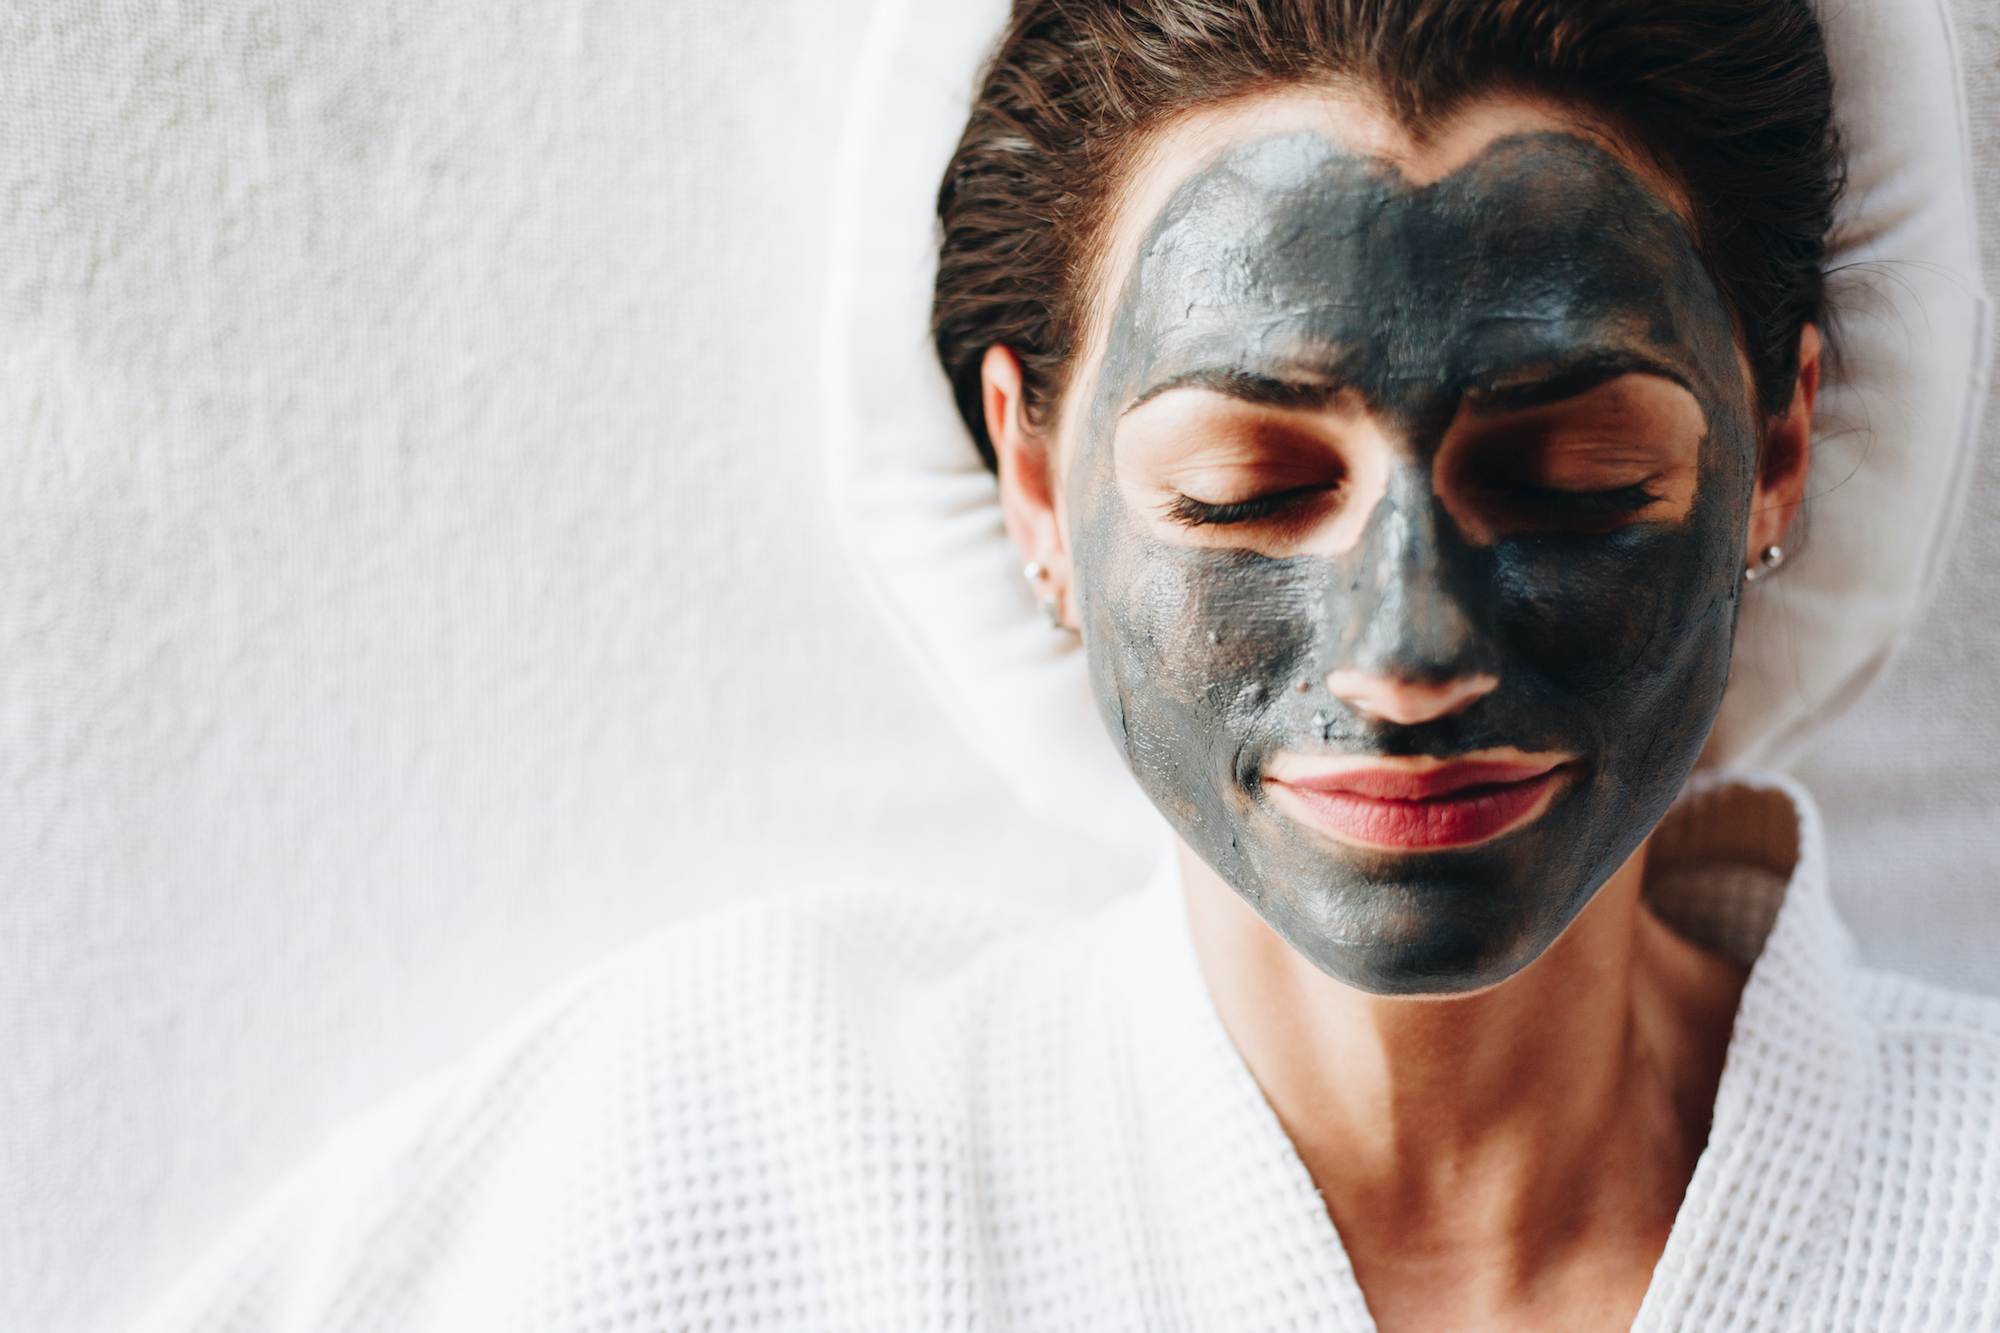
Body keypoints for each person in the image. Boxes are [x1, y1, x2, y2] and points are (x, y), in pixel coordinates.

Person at [141, 1, 1998, 1330]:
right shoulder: (724, 1152)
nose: (1411, 650)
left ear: (1776, 446)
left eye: (1571, 476)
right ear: (1035, 478)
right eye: (1248, 486)